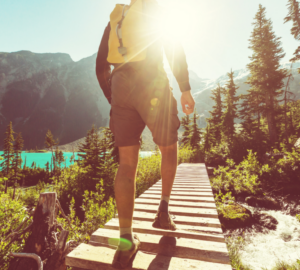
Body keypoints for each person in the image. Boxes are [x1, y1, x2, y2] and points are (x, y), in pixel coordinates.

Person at [96, 0, 195, 268]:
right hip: (151, 83)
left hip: (120, 85)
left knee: (126, 165)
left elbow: (100, 66)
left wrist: (113, 97)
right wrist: (185, 87)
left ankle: (126, 241)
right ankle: (163, 209)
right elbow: (173, 49)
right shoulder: (155, 11)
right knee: (169, 147)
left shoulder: (117, 19)